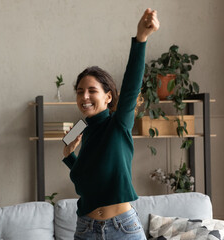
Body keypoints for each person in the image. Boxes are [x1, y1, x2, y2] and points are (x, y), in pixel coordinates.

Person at [62, 8, 160, 240]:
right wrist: (69, 156)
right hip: (85, 228)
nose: (84, 97)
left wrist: (140, 39)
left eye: (92, 91)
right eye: (79, 92)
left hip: (122, 229)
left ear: (108, 97)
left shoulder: (118, 125)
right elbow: (89, 182)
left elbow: (131, 88)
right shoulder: (84, 130)